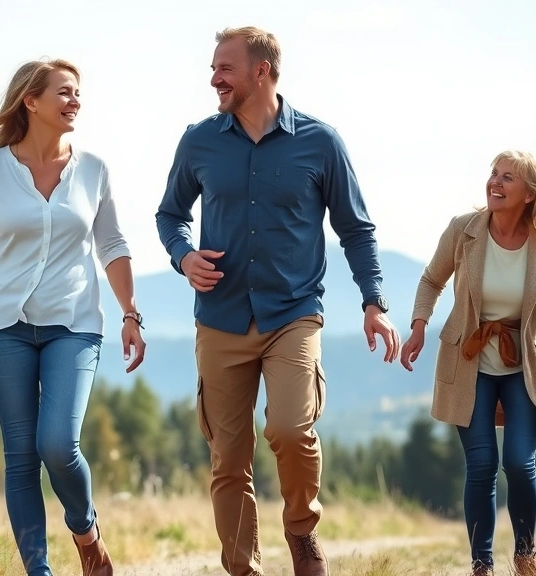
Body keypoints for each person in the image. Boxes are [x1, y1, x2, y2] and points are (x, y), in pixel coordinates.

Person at [155, 26, 400, 576]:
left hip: (293, 313)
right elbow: (170, 214)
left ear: (260, 71)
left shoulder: (320, 142)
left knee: (291, 428)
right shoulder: (199, 141)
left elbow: (356, 229)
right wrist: (183, 256)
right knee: (228, 457)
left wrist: (374, 302)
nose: (214, 79)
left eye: (225, 68)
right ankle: (243, 567)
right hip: (220, 318)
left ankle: (301, 532)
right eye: (213, 69)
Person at [0, 58, 146, 576]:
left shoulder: (94, 170)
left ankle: (85, 532)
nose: (75, 100)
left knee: (57, 444)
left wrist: (130, 312)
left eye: (78, 92)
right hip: (1, 328)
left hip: (73, 325)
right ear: (30, 101)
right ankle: (39, 570)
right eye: (64, 92)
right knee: (20, 456)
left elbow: (112, 244)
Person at [400, 150, 536, 576]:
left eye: (507, 177)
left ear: (530, 194)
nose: (495, 182)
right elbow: (431, 279)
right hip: (469, 361)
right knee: (482, 465)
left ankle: (525, 556)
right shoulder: (463, 230)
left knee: (519, 463)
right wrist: (419, 326)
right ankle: (481, 564)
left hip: (525, 365)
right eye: (493, 174)